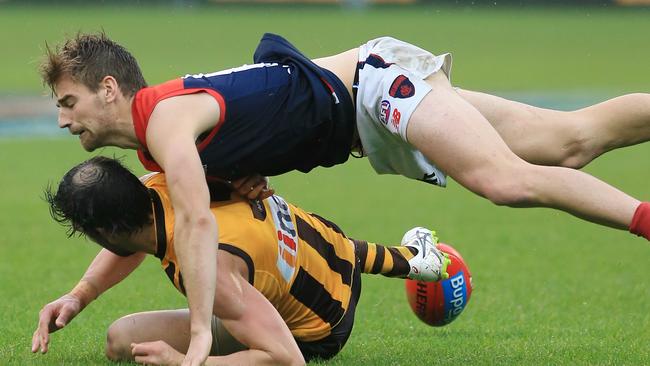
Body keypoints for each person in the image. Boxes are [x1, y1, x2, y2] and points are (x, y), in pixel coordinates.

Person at [40, 31, 650, 364]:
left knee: (506, 181)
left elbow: (195, 221)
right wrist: (78, 294)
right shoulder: (159, 142)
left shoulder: (165, 124)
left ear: (110, 90)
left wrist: (201, 334)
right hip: (369, 110)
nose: (65, 121)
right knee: (569, 142)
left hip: (373, 89)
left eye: (69, 103)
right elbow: (146, 223)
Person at [32, 156, 455, 365]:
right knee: (283, 251)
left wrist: (186, 361)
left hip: (319, 327)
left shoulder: (210, 269)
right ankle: (414, 260)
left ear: (105, 231)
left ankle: (414, 260)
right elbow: (131, 243)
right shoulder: (162, 184)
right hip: (330, 247)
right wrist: (79, 295)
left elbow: (284, 359)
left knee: (122, 341)